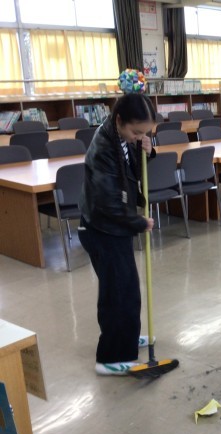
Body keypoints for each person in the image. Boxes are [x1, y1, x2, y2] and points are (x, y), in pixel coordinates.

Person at [78, 93, 156, 376]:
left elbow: (131, 169)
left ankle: (127, 337)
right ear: (119, 120)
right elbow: (109, 204)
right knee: (117, 294)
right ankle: (110, 357)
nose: (139, 137)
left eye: (145, 133)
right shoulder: (103, 149)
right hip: (102, 229)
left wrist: (146, 149)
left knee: (127, 289)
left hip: (115, 227)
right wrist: (138, 222)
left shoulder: (120, 136)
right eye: (137, 132)